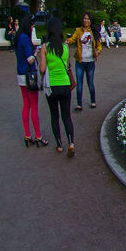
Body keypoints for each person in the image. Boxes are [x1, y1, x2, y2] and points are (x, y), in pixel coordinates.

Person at [38, 17, 75, 157]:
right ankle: (71, 142)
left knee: (55, 116)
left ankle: (59, 144)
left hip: (52, 86)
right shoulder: (65, 47)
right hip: (65, 84)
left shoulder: (45, 47)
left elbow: (42, 69)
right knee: (67, 116)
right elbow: (67, 66)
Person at [15, 13, 47, 147]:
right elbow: (30, 59)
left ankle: (27, 135)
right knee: (33, 105)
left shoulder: (18, 37)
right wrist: (37, 52)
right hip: (29, 74)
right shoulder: (25, 38)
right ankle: (38, 136)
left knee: (26, 104)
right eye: (33, 25)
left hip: (21, 74)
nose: (33, 27)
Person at [66, 11, 101, 110]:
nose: (86, 20)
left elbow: (99, 46)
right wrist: (67, 41)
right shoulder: (78, 31)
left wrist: (97, 52)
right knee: (79, 83)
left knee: (90, 83)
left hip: (90, 61)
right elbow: (72, 39)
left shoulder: (93, 32)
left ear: (90, 21)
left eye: (87, 19)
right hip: (80, 61)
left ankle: (93, 101)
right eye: (84, 18)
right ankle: (79, 104)